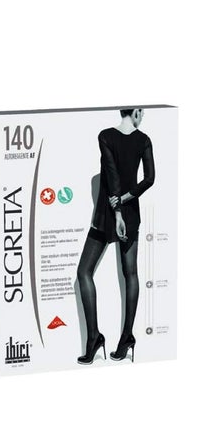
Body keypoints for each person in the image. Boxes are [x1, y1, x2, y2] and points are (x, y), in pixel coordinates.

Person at [76, 108, 155, 364]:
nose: (143, 116)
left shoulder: (105, 136)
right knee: (130, 274)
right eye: (142, 112)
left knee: (84, 272)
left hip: (107, 213)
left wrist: (117, 206)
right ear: (136, 111)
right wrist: (125, 202)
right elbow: (149, 179)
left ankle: (94, 338)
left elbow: (111, 174)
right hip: (127, 214)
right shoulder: (144, 140)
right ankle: (127, 337)